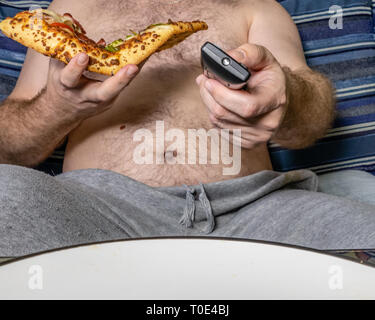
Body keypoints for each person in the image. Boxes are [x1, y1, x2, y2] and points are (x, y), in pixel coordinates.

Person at [1, 0, 374, 257]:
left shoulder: (254, 6)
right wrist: (57, 106)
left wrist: (285, 99)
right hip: (96, 209)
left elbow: (310, 120)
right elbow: (8, 148)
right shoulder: (69, 12)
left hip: (253, 210)